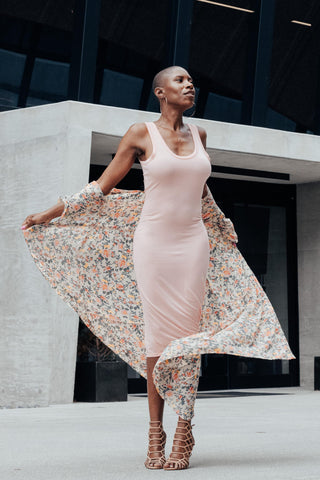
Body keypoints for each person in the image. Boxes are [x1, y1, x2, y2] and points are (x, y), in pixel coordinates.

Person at [21, 66, 295, 471]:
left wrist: (221, 223)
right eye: (180, 81)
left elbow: (201, 191)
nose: (190, 86)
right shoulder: (140, 134)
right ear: (160, 92)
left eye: (191, 82)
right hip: (152, 245)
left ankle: (184, 427)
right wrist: (50, 213)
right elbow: (102, 186)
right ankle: (155, 433)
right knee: (157, 340)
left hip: (194, 245)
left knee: (190, 336)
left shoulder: (200, 135)